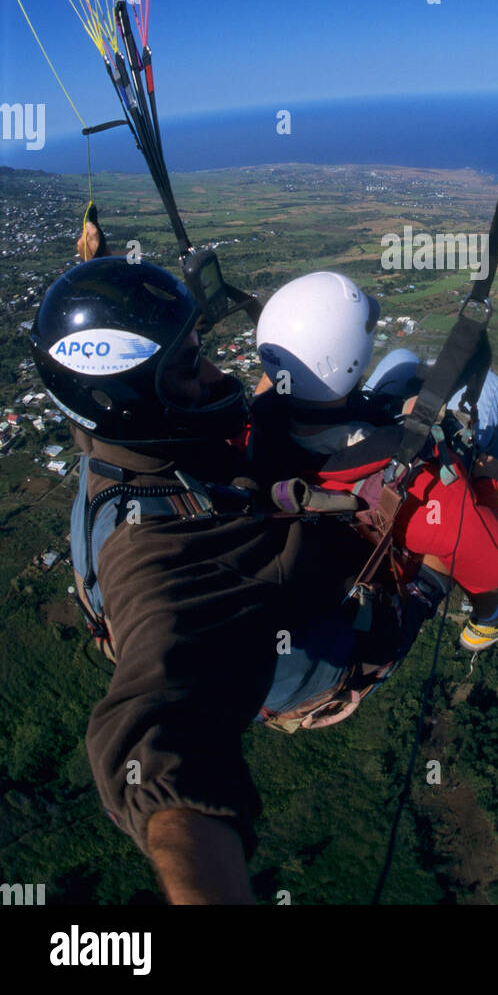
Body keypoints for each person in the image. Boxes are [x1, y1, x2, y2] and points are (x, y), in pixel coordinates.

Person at [30, 257, 361, 903]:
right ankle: (474, 607)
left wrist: (89, 270)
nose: (215, 375)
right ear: (129, 399)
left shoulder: (119, 446)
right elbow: (159, 735)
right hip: (335, 650)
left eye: (198, 352)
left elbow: (93, 364)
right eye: (187, 367)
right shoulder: (150, 558)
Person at [250, 270, 498, 651]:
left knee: (401, 360)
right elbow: (496, 560)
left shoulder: (255, 423)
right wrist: (487, 483)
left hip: (327, 446)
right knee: (492, 388)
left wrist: (396, 410)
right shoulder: (421, 489)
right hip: (382, 498)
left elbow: (287, 385)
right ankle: (489, 619)